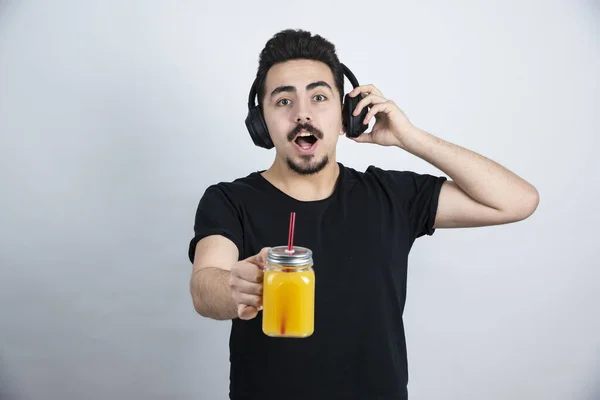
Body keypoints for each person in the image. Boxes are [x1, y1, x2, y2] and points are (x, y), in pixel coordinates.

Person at [187, 29, 539, 400]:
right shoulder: (228, 199)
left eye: (319, 97)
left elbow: (517, 201)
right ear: (261, 124)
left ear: (346, 117)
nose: (303, 114)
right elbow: (204, 286)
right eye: (283, 101)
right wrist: (235, 286)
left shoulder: (393, 196)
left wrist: (409, 137)